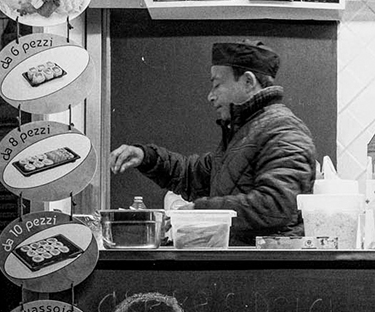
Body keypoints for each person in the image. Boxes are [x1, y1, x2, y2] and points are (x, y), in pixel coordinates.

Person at [109, 40, 317, 246]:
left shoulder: (284, 131)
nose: (211, 96)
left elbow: (275, 206)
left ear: (248, 82)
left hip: (269, 263)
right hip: (245, 260)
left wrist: (200, 212)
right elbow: (193, 175)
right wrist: (147, 157)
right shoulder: (244, 133)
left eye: (217, 84)